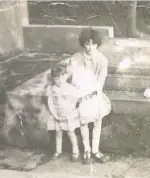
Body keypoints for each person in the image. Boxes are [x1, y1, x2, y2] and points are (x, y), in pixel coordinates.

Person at [65, 28, 111, 164]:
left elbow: (100, 82)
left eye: (93, 44)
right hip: (81, 95)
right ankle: (86, 151)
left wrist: (91, 90)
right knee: (83, 123)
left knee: (97, 122)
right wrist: (80, 92)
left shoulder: (102, 60)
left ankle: (96, 150)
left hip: (95, 94)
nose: (90, 47)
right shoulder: (75, 58)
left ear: (97, 44)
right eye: (87, 44)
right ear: (83, 44)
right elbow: (72, 79)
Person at [46, 64, 81, 162]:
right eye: (56, 78)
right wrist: (55, 114)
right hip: (57, 115)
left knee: (71, 133)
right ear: (53, 79)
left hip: (68, 115)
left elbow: (74, 102)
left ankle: (75, 151)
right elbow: (50, 103)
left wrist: (67, 112)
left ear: (66, 76)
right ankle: (58, 151)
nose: (59, 80)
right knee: (58, 134)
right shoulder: (52, 89)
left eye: (62, 77)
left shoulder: (70, 89)